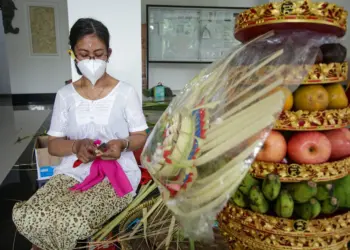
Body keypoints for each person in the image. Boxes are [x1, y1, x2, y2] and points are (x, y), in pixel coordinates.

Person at [12, 18, 148, 250]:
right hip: (73, 172)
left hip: (117, 175)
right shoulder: (65, 95)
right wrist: (75, 147)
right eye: (84, 54)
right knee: (30, 215)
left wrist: (122, 144)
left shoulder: (125, 92)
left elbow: (141, 135)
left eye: (98, 53)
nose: (92, 60)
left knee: (70, 222)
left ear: (109, 53)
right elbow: (54, 145)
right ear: (73, 54)